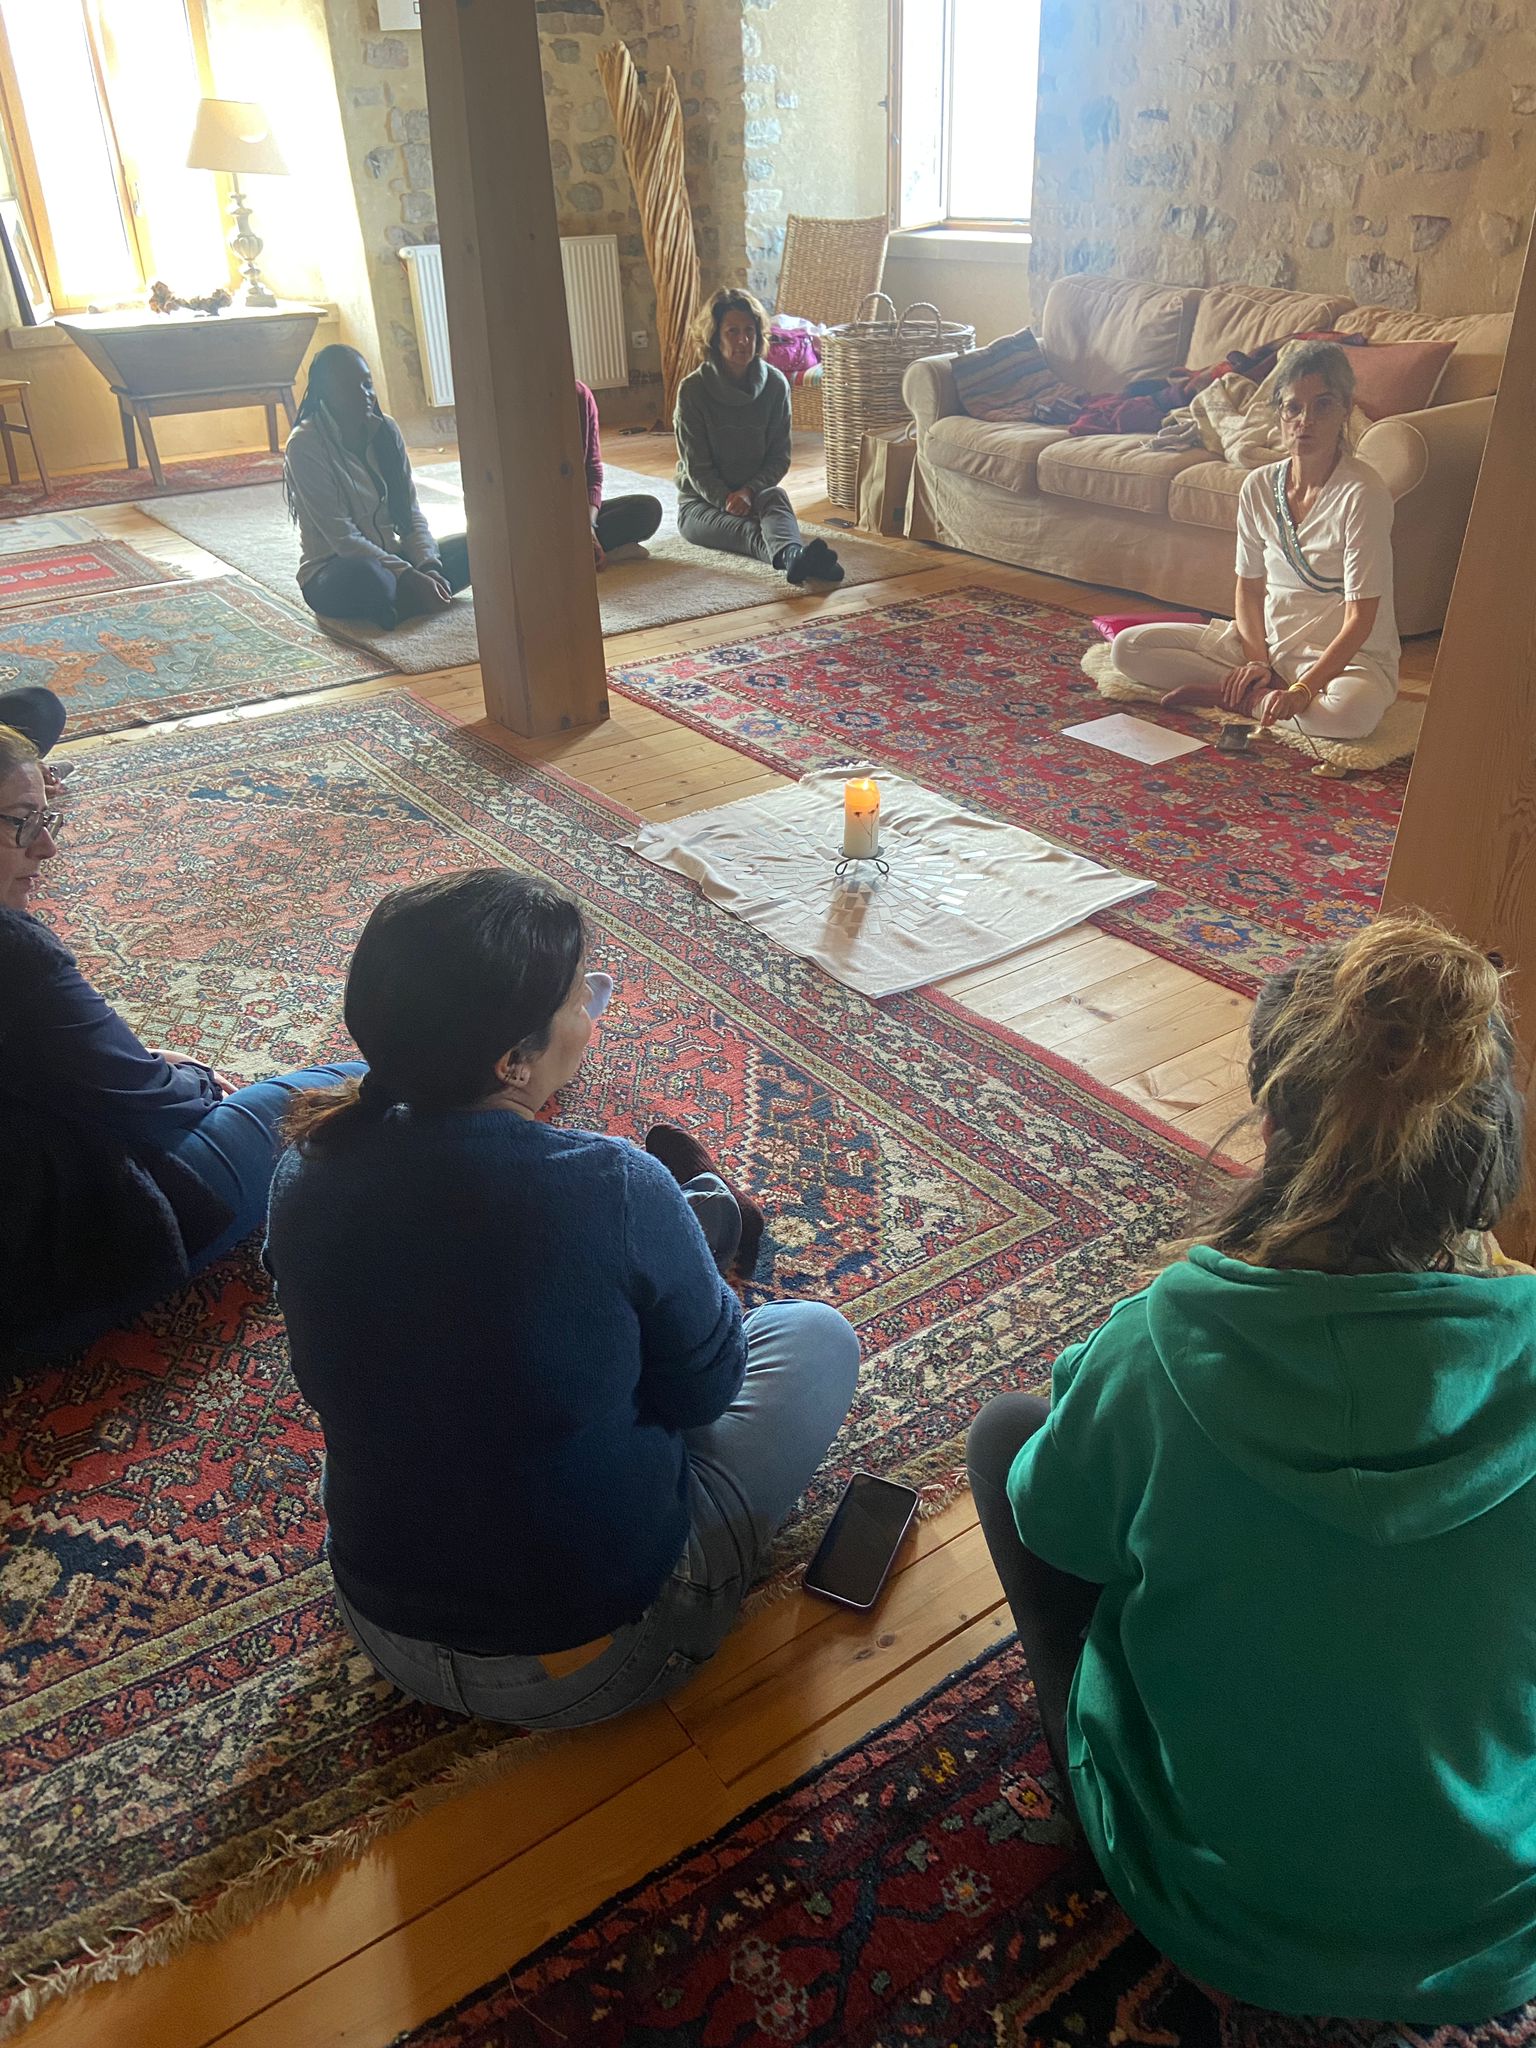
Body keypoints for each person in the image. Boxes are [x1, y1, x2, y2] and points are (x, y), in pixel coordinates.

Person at [967, 912, 1536, 2024]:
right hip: (1498, 1921)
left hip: (1208, 1901)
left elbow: (1057, 1522)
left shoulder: (1161, 1343)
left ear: (1275, 1125)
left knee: (1005, 1435)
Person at [265, 869, 861, 1730]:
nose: (593, 1016)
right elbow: (703, 1397)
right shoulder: (613, 1183)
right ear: (512, 1059)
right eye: (586, 997)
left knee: (417, 1400)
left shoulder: (304, 1166)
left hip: (383, 1622)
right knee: (814, 1335)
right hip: (600, 1658)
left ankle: (698, 1244)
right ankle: (708, 1240)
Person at [0, 720, 363, 1362]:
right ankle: (517, 1051)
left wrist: (117, 1064)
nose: (47, 847)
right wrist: (191, 1076)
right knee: (348, 1081)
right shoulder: (14, 955)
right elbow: (158, 1102)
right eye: (25, 821)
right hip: (45, 1262)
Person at [1110, 339, 1399, 741]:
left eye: (1323, 405)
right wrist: (1256, 661)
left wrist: (1302, 690)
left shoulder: (1363, 494)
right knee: (1128, 648)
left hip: (1346, 658)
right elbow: (1248, 589)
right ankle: (1258, 689)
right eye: (1294, 407)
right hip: (1269, 643)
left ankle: (1245, 700)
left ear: (1345, 410)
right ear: (1280, 411)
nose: (1306, 420)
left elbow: (1361, 619)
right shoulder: (1259, 485)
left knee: (1351, 715)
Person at [284, 344, 470, 631]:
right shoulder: (305, 444)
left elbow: (410, 514)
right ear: (325, 394)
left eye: (367, 383)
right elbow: (343, 539)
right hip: (337, 570)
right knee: (374, 580)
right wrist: (409, 576)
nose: (365, 394)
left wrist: (428, 566)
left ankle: (395, 609)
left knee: (476, 548)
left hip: (393, 558)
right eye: (348, 387)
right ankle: (403, 601)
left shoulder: (386, 430)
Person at [674, 286, 843, 586]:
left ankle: (795, 558)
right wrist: (728, 500)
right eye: (732, 331)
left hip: (757, 494)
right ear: (714, 338)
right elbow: (696, 468)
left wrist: (749, 492)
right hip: (701, 504)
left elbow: (779, 457)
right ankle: (796, 556)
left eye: (750, 331)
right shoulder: (693, 391)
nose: (743, 340)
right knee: (748, 532)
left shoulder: (776, 385)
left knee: (775, 497)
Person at [578, 378, 663, 568]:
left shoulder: (580, 395)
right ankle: (580, 550)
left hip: (577, 515)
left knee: (648, 509)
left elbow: (592, 470)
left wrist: (590, 527)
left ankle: (582, 548)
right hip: (534, 521)